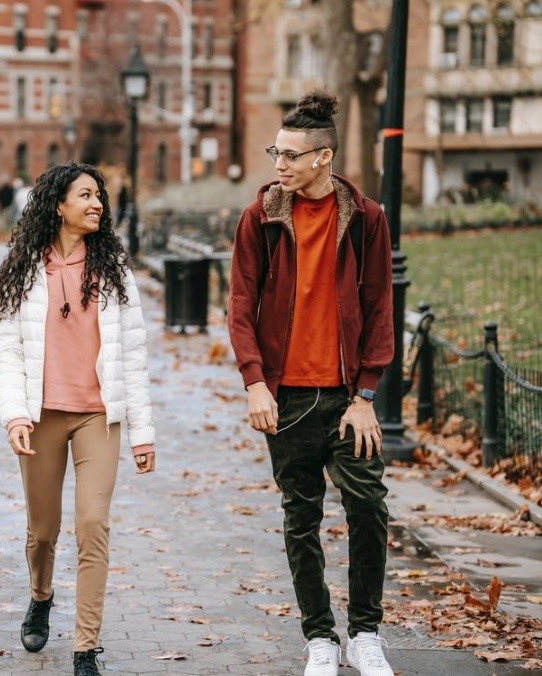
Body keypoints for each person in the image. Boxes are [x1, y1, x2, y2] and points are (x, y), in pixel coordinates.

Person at [227, 90, 395, 676]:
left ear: (323, 158)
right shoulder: (261, 218)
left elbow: (379, 309)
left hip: (348, 400)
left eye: (291, 155)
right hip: (288, 399)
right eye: (277, 151)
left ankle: (366, 634)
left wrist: (367, 395)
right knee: (301, 518)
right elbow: (240, 306)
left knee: (369, 508)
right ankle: (320, 637)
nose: (280, 163)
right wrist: (254, 382)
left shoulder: (366, 219)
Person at [0, 162, 156, 676]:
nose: (97, 203)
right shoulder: (21, 267)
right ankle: (41, 596)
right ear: (57, 205)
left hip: (98, 418)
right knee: (42, 531)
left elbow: (133, 353)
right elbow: (6, 350)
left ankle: (86, 647)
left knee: (92, 524)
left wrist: (142, 432)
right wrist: (14, 413)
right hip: (40, 417)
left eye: (99, 195)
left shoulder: (114, 270)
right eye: (85, 195)